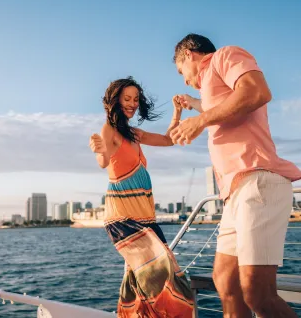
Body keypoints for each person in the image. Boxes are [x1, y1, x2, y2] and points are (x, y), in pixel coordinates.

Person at [170, 33, 301, 318]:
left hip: (258, 181)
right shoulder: (210, 88)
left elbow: (256, 92)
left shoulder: (225, 55)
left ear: (189, 55)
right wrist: (193, 103)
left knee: (258, 294)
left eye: (182, 72)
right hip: (235, 193)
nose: (184, 79)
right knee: (226, 282)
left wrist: (200, 120)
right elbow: (223, 105)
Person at [89, 77, 193, 318]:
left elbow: (168, 140)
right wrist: (99, 150)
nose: (133, 103)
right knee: (166, 280)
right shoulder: (109, 130)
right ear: (115, 100)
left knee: (139, 286)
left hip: (145, 219)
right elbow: (103, 161)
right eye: (127, 98)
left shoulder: (134, 134)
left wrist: (177, 111)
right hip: (124, 220)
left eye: (136, 99)